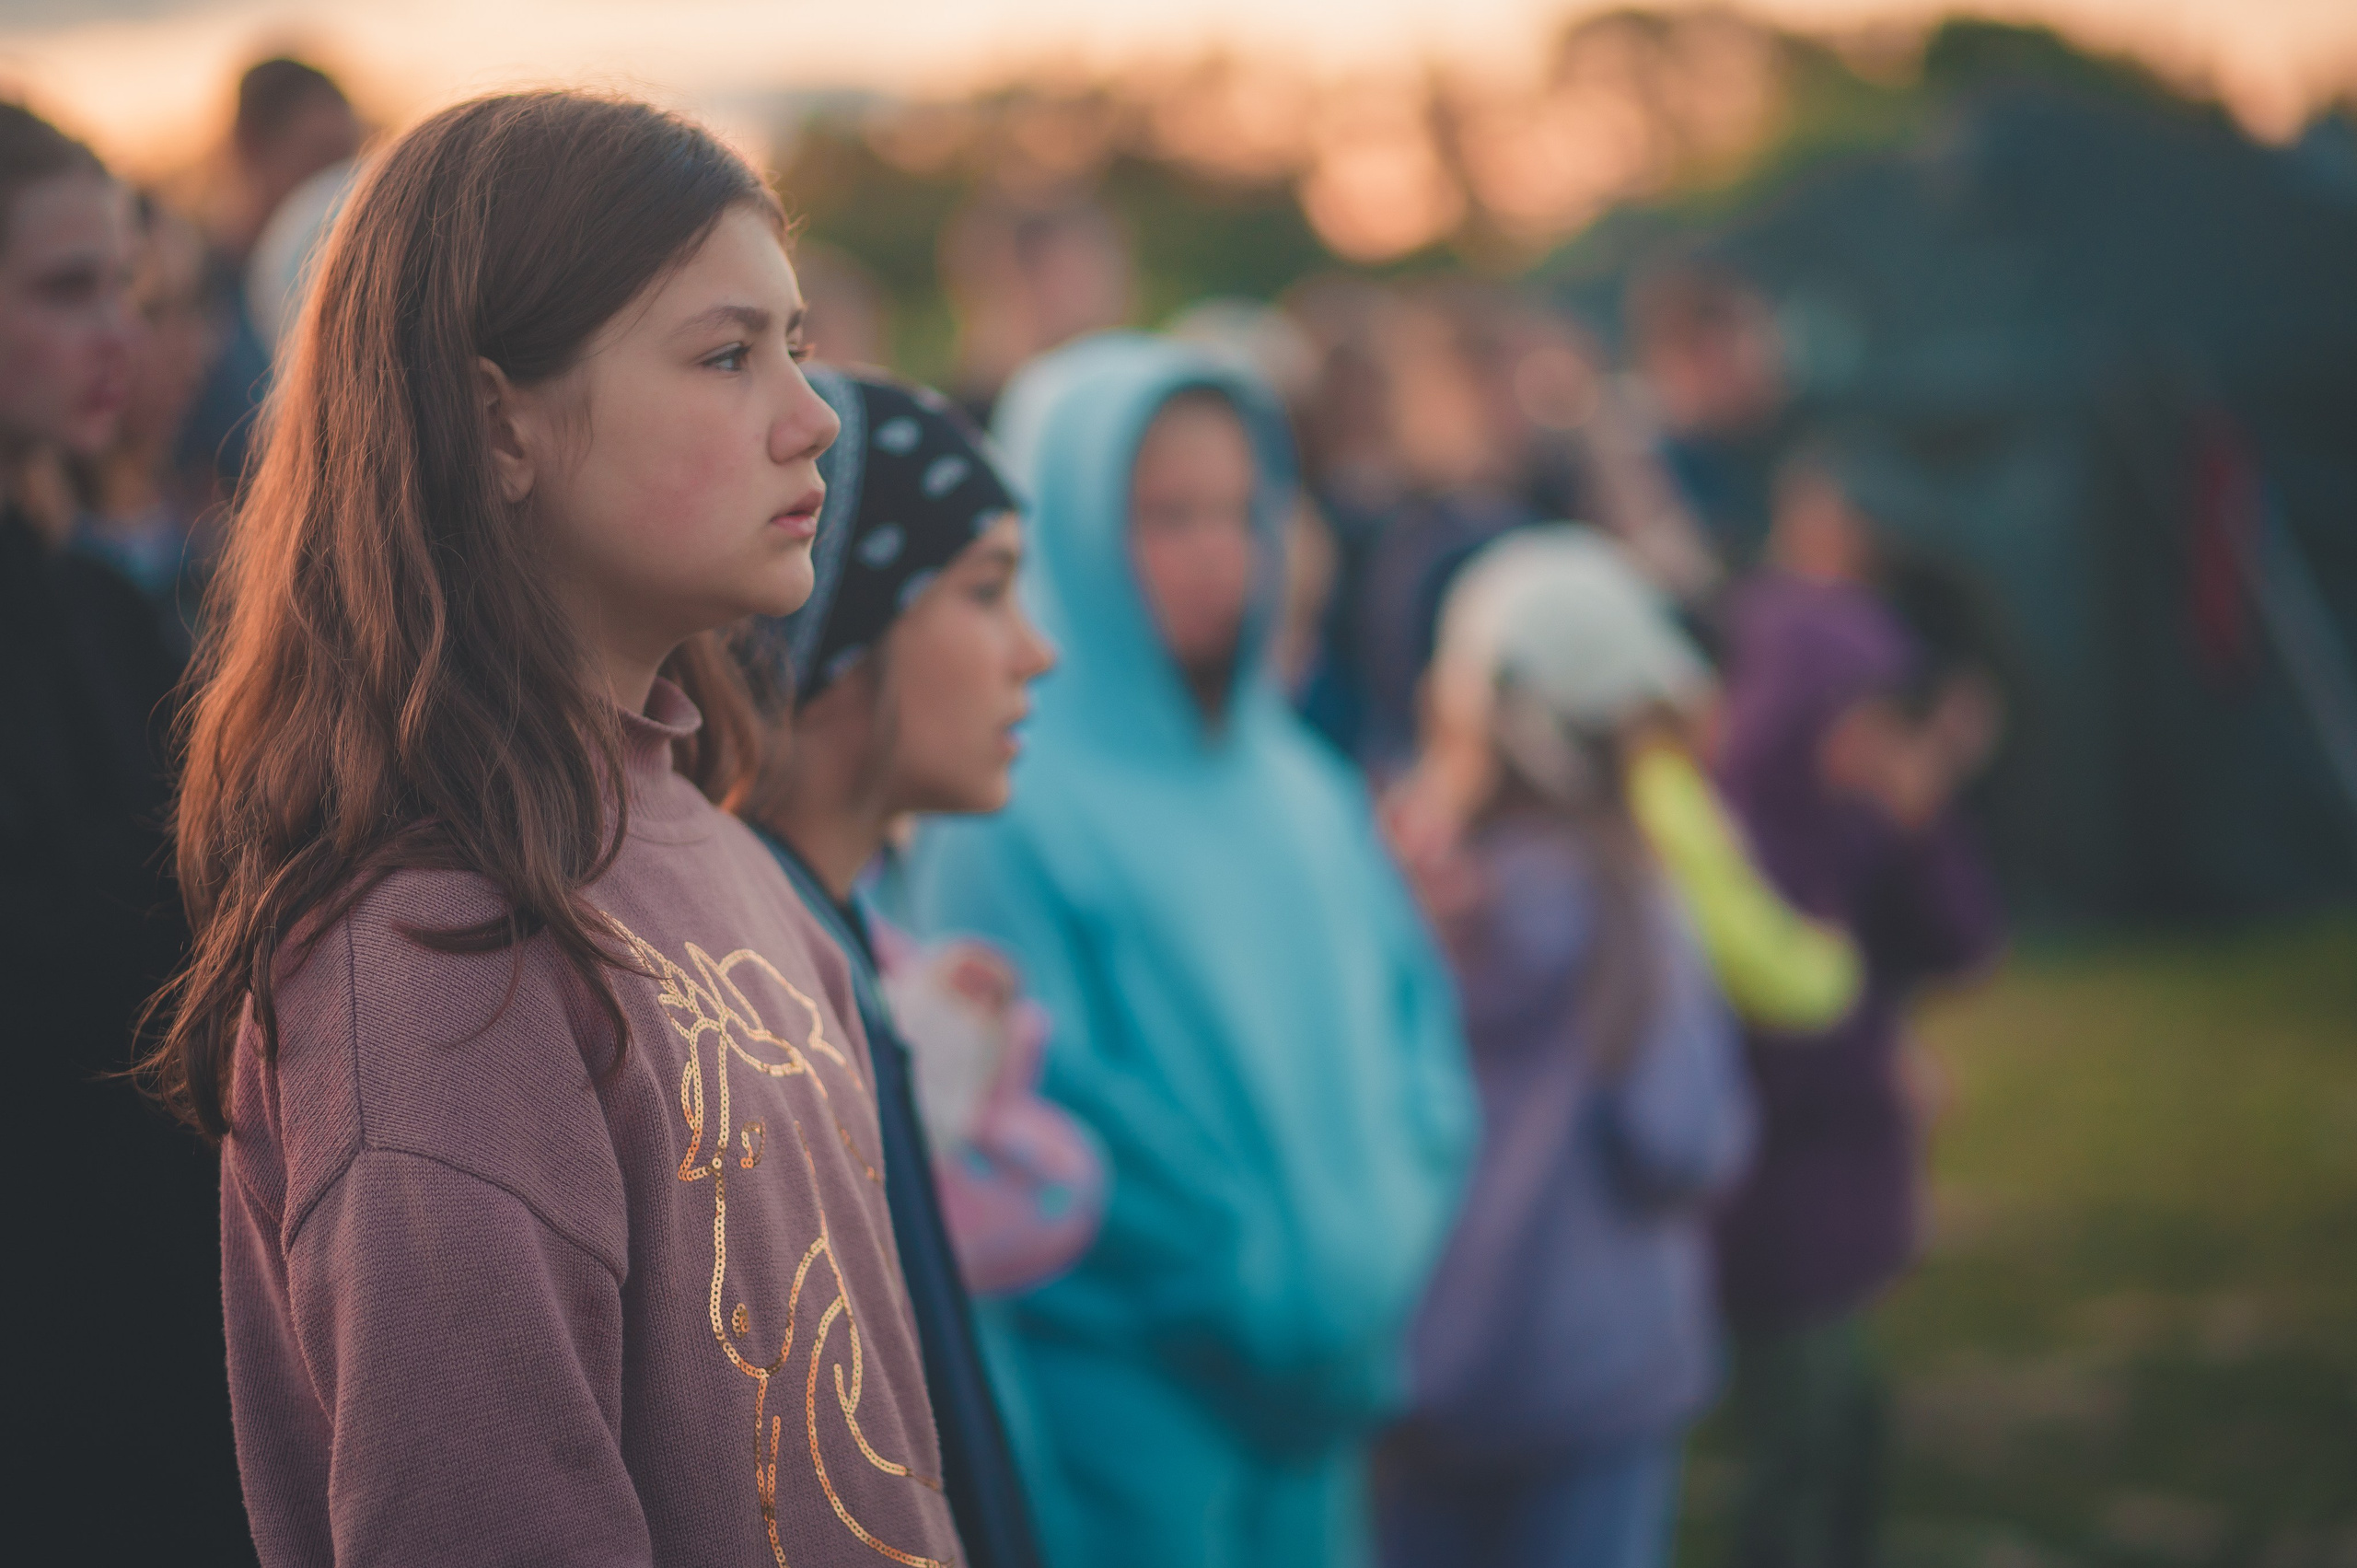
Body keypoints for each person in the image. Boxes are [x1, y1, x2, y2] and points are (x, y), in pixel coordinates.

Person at [145, 93, 963, 1567]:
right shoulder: (435, 960)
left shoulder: (727, 855)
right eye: (725, 355)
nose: (813, 415)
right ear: (496, 422)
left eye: (798, 346)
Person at [906, 331, 1478, 1568]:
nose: (1219, 549)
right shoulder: (1007, 798)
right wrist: (1256, 1271)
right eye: (1166, 513)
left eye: (1241, 508)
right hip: (1138, 1409)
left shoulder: (1302, 778)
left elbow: (1416, 1024)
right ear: (1059, 527)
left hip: (1334, 1389)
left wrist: (1399, 1212)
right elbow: (1043, 1096)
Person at [734, 364, 1099, 1568]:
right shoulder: (764, 985)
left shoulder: (834, 935)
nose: (1035, 652)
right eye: (985, 591)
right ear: (841, 634)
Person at [1377, 526, 1757, 1568]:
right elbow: (1681, 1137)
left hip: (1420, 1370)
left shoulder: (1402, 885)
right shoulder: (1633, 905)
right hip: (1596, 1381)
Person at [1, 99, 258, 1567]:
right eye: (62, 288)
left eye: (131, 292)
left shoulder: (100, 602)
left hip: (160, 1296)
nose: (120, 333)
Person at [1712, 455, 2006, 1568]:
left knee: (1853, 1433)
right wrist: (1875, 1056)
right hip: (1771, 1198)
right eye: (1861, 714)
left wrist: (1926, 808)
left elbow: (1966, 943)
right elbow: (1771, 1039)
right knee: (1802, 1441)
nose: (1875, 737)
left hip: (1844, 1182)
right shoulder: (1741, 843)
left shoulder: (1863, 817)